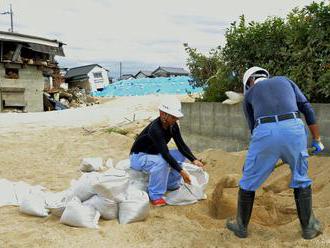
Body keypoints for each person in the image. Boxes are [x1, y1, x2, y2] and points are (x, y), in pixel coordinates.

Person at [226, 66, 325, 239]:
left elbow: (254, 129)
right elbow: (307, 108)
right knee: (301, 178)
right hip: (294, 128)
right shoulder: (286, 81)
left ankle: (240, 226)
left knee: (248, 181)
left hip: (265, 132)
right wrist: (316, 139)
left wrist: (261, 162)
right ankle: (309, 228)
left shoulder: (249, 95)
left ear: (250, 81)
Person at [129, 97, 205, 206]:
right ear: (163, 114)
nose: (176, 120)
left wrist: (194, 159)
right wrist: (181, 171)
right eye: (173, 117)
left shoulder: (172, 126)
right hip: (139, 157)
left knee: (180, 154)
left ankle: (171, 183)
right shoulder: (155, 129)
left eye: (176, 117)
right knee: (163, 161)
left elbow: (181, 145)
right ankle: (155, 195)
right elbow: (165, 154)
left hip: (156, 154)